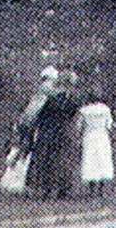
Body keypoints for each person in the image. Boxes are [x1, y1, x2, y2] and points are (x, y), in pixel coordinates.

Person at [17, 66, 80, 199]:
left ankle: (46, 188)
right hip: (63, 132)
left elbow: (36, 115)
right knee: (62, 160)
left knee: (46, 161)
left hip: (47, 132)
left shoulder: (48, 98)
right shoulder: (71, 99)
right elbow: (73, 113)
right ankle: (62, 188)